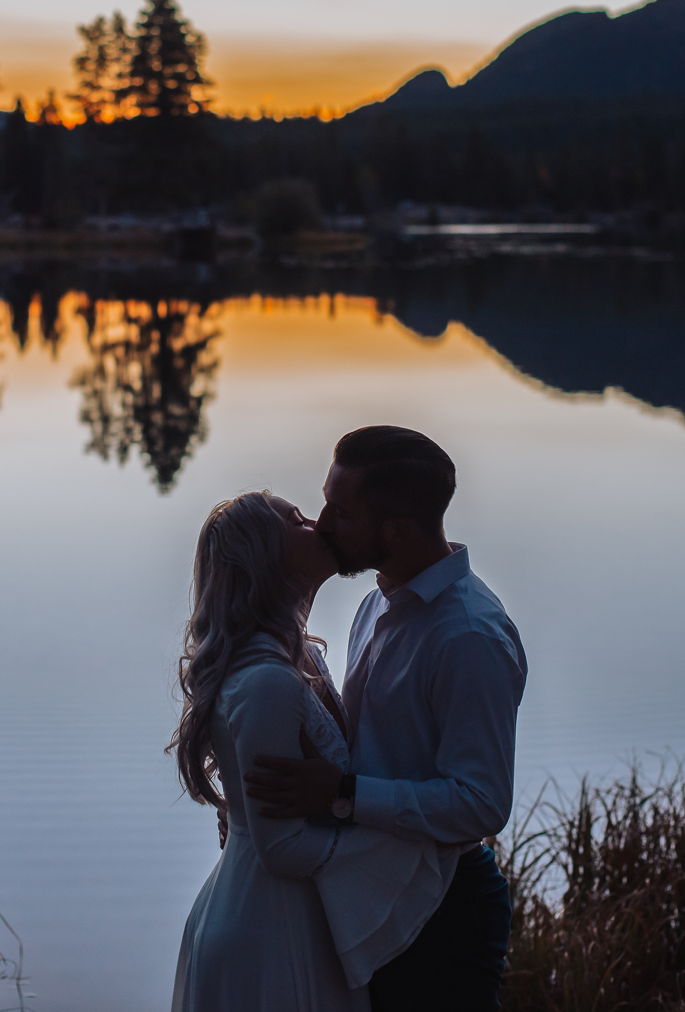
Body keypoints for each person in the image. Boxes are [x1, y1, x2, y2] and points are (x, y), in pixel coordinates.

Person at [243, 426, 528, 1012]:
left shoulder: (469, 639)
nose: (322, 522)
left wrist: (343, 796)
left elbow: (482, 804)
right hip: (377, 887)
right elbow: (360, 744)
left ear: (396, 531)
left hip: (446, 904)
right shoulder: (377, 602)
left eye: (340, 511)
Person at [170, 492, 452, 1012]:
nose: (318, 523)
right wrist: (413, 847)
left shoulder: (306, 659)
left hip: (304, 918)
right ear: (265, 557)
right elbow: (280, 849)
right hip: (269, 931)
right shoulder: (266, 684)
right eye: (296, 520)